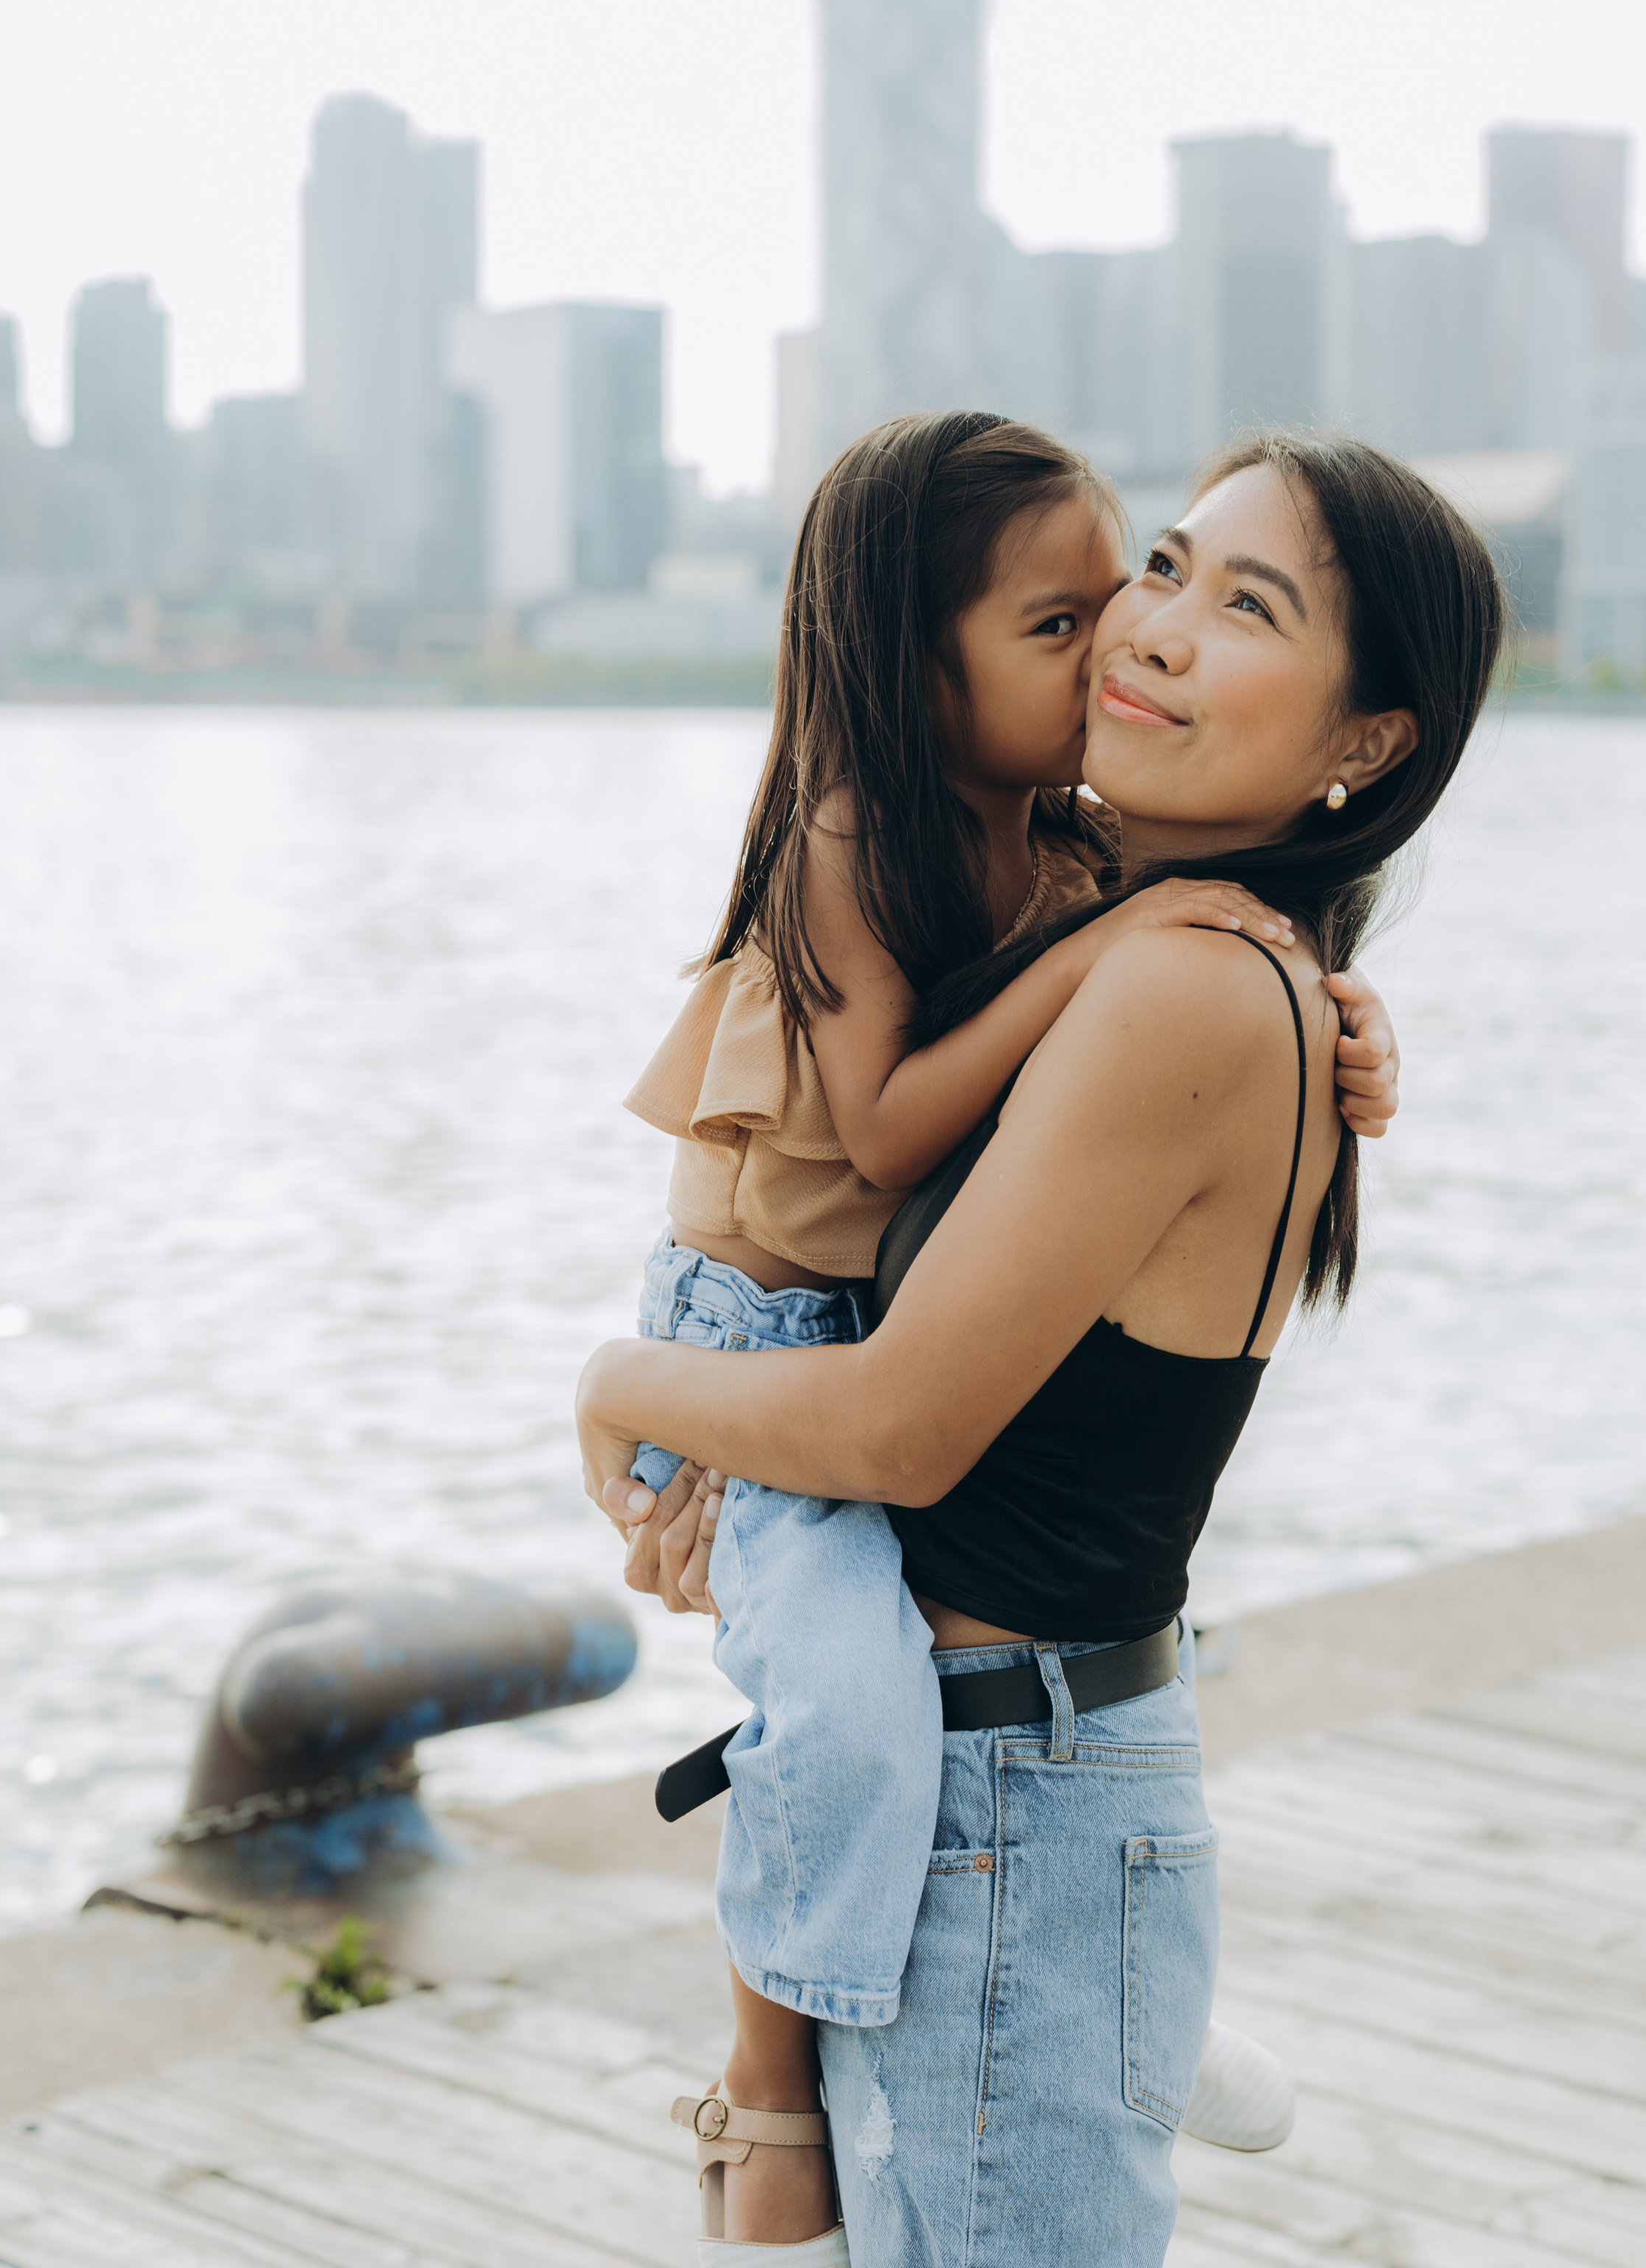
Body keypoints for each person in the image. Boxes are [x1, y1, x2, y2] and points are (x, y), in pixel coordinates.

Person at [583, 428, 1500, 2265]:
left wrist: (618, 1387)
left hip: (1011, 1818)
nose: (1147, 626)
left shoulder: (1180, 974)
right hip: (1013, 1806)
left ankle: (793, 2088)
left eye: (1246, 604)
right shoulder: (1121, 925)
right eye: (1164, 567)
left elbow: (898, 1428)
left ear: (1363, 742)